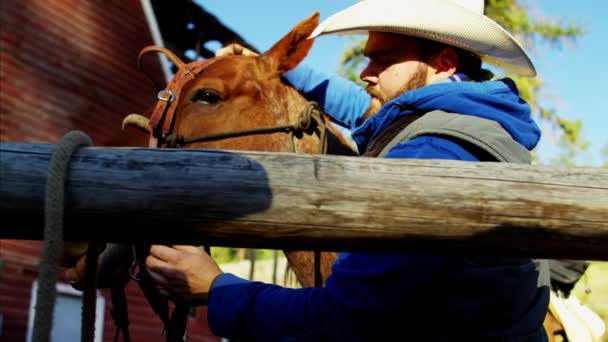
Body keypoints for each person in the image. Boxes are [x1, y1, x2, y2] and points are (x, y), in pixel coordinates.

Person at [144, 0, 550, 340]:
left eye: (382, 59)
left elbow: (348, 321)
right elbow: (363, 110)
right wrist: (268, 63)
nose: (364, 72)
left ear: (443, 63)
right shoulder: (466, 127)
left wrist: (216, 289)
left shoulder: (431, 152)